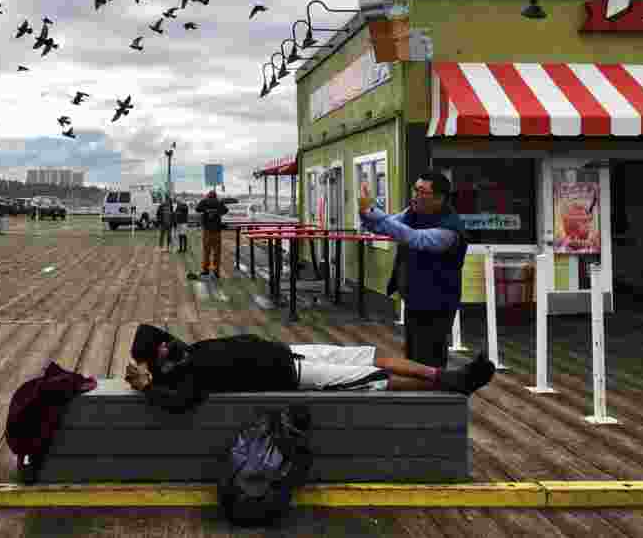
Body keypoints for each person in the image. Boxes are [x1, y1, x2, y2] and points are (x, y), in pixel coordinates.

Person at [124, 323, 495, 413]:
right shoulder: (186, 376)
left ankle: (444, 375)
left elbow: (172, 350)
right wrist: (147, 386)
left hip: (291, 352)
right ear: (155, 362)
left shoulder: (183, 354)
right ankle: (453, 385)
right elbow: (179, 402)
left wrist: (162, 358)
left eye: (163, 339)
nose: (167, 343)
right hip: (298, 376)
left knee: (372, 356)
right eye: (159, 347)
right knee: (375, 378)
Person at [358, 171, 468, 369]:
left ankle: (433, 395)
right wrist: (365, 211)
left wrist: (373, 210)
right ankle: (417, 396)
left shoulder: (450, 229)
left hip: (437, 303)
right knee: (413, 356)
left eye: (421, 191)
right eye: (414, 190)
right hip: (414, 297)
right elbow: (383, 226)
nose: (415, 195)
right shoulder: (412, 213)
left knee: (430, 358)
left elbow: (415, 238)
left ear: (439, 198)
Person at [196, 189, 229, 279]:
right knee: (217, 252)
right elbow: (226, 210)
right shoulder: (218, 202)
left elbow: (197, 209)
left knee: (206, 251)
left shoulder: (204, 201)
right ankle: (216, 271)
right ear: (215, 196)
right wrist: (217, 212)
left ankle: (205, 270)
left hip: (207, 230)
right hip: (217, 231)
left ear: (208, 195)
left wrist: (206, 211)